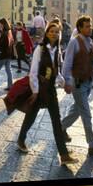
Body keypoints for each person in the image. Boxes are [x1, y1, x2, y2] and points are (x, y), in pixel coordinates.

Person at [17, 23, 79, 165]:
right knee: (31, 116)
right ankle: (21, 139)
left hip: (50, 90)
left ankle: (63, 155)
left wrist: (64, 84)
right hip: (39, 90)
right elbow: (33, 71)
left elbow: (56, 72)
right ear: (47, 33)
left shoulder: (57, 50)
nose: (54, 34)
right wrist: (35, 91)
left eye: (56, 32)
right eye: (51, 31)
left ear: (59, 34)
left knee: (56, 122)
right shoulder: (40, 48)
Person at [61, 15, 93, 157]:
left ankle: (60, 128)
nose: (90, 28)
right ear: (80, 28)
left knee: (76, 110)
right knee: (86, 114)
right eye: (87, 26)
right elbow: (67, 64)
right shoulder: (74, 43)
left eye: (90, 26)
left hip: (88, 83)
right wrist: (68, 82)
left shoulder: (90, 42)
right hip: (78, 84)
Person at [0, 18, 14, 91]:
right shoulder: (9, 32)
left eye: (0, 24)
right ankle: (10, 85)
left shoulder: (4, 33)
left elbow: (2, 43)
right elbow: (11, 43)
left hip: (2, 55)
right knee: (8, 70)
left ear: (3, 24)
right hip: (8, 54)